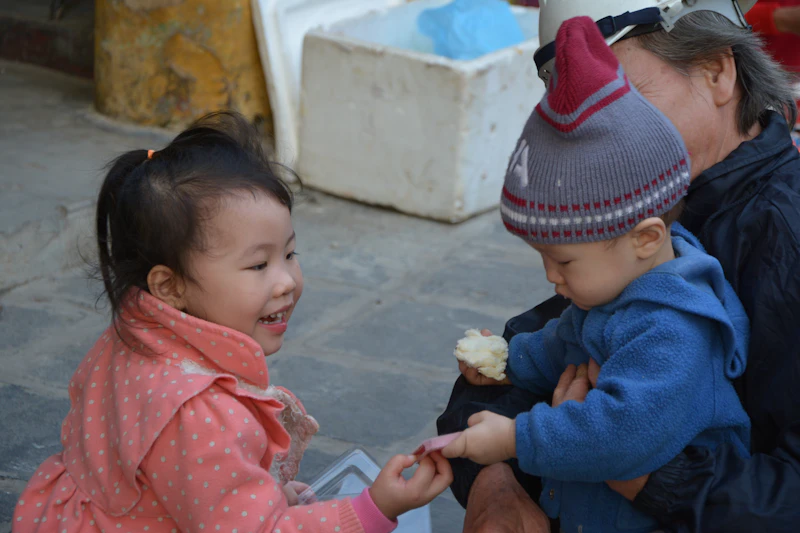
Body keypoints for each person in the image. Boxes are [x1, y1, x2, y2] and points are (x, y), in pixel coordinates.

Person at [437, 1, 800, 531]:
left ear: (717, 71)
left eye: (624, 99)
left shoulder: (783, 239)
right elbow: (535, 351)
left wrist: (643, 473)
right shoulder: (636, 207)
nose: (601, 137)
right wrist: (492, 481)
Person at [12, 112, 453, 533]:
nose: (286, 282)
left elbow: (174, 479)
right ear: (169, 285)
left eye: (290, 254)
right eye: (258, 265)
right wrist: (374, 508)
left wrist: (260, 494)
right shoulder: (201, 414)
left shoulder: (136, 329)